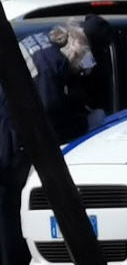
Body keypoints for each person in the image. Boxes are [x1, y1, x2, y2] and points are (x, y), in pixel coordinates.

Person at [0, 14, 109, 265]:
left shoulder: (42, 42)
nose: (85, 67)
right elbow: (48, 117)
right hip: (8, 145)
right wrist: (86, 122)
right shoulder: (52, 65)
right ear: (81, 46)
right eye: (87, 59)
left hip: (6, 133)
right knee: (8, 222)